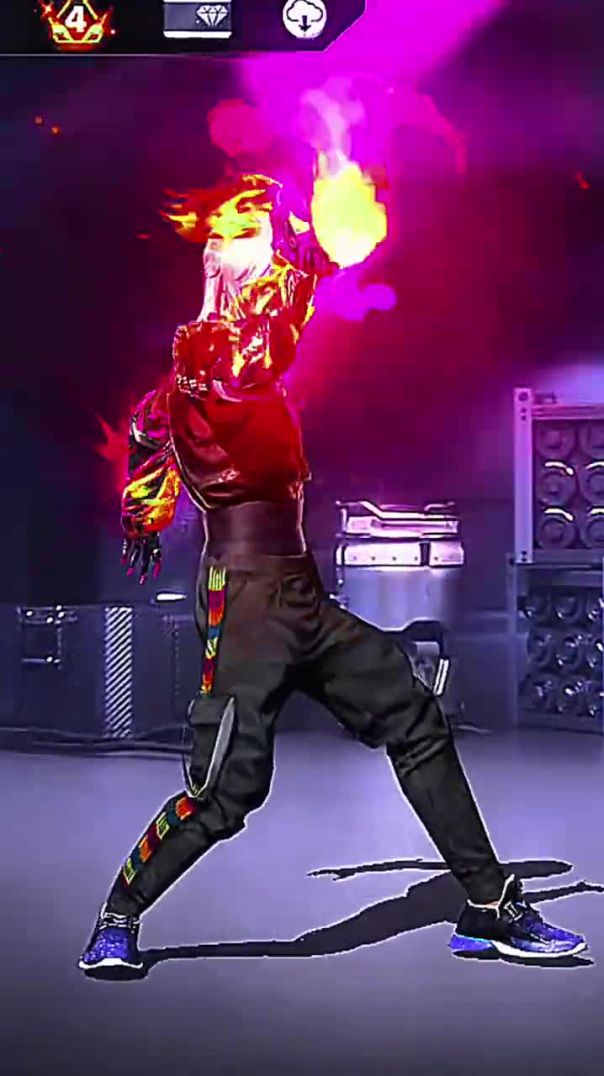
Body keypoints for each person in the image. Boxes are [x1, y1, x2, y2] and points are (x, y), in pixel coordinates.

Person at [80, 173, 585, 972]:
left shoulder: (193, 381)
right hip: (246, 603)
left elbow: (148, 428)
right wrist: (308, 260)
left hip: (301, 596)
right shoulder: (218, 361)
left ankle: (489, 907)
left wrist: (144, 508)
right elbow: (262, 345)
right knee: (227, 791)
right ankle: (118, 914)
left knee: (414, 718)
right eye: (241, 249)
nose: (253, 257)